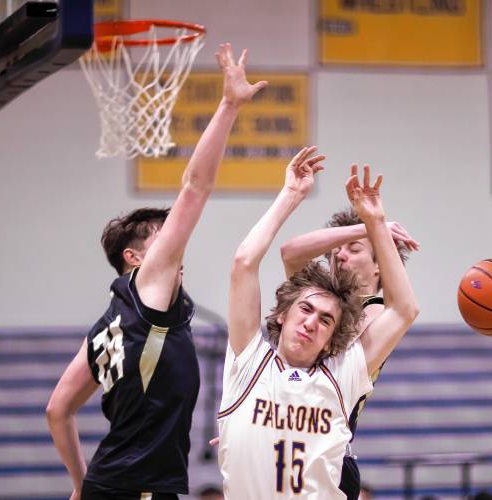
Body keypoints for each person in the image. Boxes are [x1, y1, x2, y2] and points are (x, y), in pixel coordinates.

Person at [45, 43, 266, 500]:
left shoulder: (108, 325)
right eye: (158, 235)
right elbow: (196, 186)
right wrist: (228, 105)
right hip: (136, 489)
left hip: (114, 485)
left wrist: (79, 484)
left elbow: (57, 409)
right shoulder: (148, 289)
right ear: (135, 257)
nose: (172, 240)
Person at [217, 154, 419, 498]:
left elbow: (405, 309)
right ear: (283, 313)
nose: (311, 322)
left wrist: (377, 225)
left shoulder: (358, 338)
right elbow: (273, 256)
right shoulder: (252, 361)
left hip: (332, 450)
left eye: (325, 320)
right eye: (305, 310)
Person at [280, 201, 419, 499]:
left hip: (325, 456)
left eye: (353, 249)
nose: (339, 255)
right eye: (336, 249)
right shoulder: (319, 302)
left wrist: (377, 228)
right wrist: (360, 228)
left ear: (380, 262)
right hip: (281, 442)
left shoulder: (377, 312)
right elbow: (289, 252)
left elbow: (406, 308)